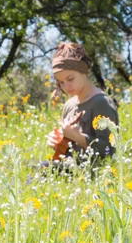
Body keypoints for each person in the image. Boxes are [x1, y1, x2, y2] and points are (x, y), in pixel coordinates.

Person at [38, 42, 120, 177]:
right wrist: (58, 142)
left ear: (83, 71)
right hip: (71, 169)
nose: (66, 86)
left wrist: (78, 137)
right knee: (28, 168)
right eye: (61, 82)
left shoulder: (101, 103)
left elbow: (108, 150)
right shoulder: (68, 106)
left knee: (41, 169)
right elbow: (67, 150)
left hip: (94, 174)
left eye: (70, 78)